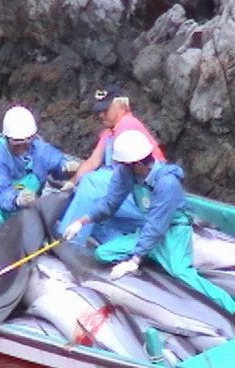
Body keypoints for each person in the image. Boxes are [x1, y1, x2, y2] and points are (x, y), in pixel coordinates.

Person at [62, 130, 235, 314]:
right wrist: (83, 221)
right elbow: (110, 203)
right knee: (103, 254)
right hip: (149, 228)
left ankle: (229, 307)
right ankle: (152, 261)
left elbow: (157, 225)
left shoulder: (167, 182)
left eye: (124, 164)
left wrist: (135, 259)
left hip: (174, 229)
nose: (120, 167)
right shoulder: (127, 173)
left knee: (180, 272)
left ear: (138, 164)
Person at [57, 84, 166, 246]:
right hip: (126, 194)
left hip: (145, 198)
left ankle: (68, 244)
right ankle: (123, 248)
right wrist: (71, 183)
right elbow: (92, 162)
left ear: (121, 105)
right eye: (98, 111)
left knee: (92, 184)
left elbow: (120, 176)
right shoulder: (109, 132)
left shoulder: (128, 125)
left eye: (105, 110)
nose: (101, 115)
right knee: (92, 212)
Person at [0, 105, 79, 246]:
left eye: (26, 144)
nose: (22, 149)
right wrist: (17, 200)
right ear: (7, 139)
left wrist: (65, 167)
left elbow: (56, 162)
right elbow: (0, 193)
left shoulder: (40, 150)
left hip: (30, 208)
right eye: (17, 145)